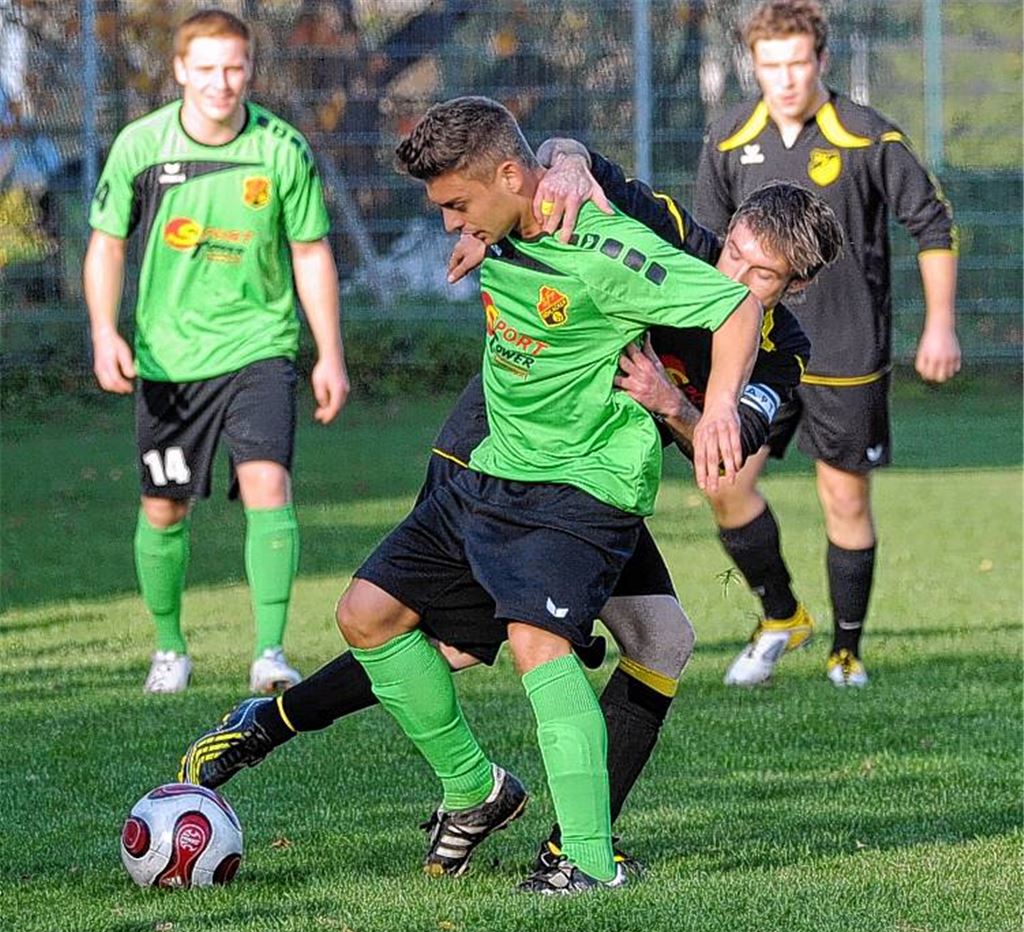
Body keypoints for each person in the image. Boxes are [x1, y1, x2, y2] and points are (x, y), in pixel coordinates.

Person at [179, 157, 841, 892]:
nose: (735, 274)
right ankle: (280, 725)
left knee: (660, 639)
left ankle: (571, 845)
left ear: (795, 287)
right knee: (444, 639)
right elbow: (558, 163)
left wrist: (674, 404)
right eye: (735, 252)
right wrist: (562, 170)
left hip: (590, 479)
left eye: (761, 274)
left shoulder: (782, 351)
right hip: (497, 449)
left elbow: (724, 450)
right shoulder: (676, 236)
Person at [324, 96, 762, 895]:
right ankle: (474, 788)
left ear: (507, 175)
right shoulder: (505, 218)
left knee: (538, 644)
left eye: (458, 204)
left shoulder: (603, 248)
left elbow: (736, 307)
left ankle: (589, 862)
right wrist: (482, 227)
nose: (450, 222)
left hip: (581, 485)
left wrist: (722, 406)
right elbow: (551, 150)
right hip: (494, 469)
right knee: (366, 614)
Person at [693, 0, 959, 687]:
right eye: (770, 64)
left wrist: (939, 324)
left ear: (822, 60)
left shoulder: (867, 136)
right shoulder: (728, 138)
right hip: (757, 350)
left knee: (844, 500)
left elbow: (932, 224)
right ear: (753, 65)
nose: (785, 78)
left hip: (845, 352)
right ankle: (781, 614)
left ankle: (846, 652)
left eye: (797, 62)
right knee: (724, 481)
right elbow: (708, 249)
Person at [83, 9, 350, 695]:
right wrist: (104, 331)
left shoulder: (281, 148)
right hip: (170, 360)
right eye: (205, 68)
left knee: (268, 482)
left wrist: (329, 353)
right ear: (179, 70)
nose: (220, 83)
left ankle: (270, 653)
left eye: (233, 68)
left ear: (250, 69)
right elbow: (107, 243)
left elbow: (310, 251)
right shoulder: (141, 145)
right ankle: (169, 649)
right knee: (164, 507)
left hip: (260, 346)